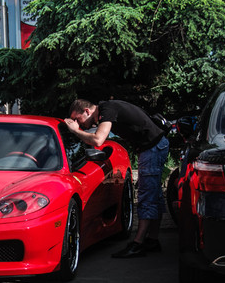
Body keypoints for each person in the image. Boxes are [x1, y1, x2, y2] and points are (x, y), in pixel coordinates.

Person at [66, 99, 169, 258]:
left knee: (147, 196)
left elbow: (98, 140)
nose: (77, 123)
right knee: (154, 196)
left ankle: (138, 244)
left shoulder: (107, 109)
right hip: (154, 146)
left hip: (152, 148)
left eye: (77, 119)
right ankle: (152, 240)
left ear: (87, 111)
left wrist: (74, 131)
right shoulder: (108, 109)